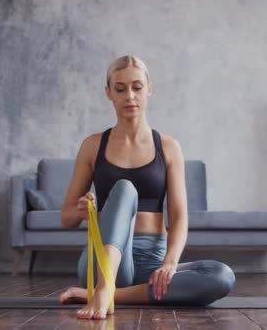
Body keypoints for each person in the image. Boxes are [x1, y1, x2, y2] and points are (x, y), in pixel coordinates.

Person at [58, 55, 235, 319]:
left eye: (137, 87)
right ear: (108, 94)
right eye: (120, 89)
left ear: (149, 89)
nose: (129, 96)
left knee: (221, 276)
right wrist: (82, 210)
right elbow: (66, 217)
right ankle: (105, 285)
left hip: (153, 260)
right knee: (126, 189)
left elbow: (178, 216)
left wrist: (170, 264)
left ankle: (102, 294)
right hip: (103, 263)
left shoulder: (169, 147)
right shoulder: (93, 145)